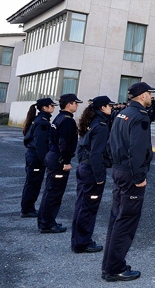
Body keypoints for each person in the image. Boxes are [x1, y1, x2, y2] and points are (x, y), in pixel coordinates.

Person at [102, 82, 155, 282]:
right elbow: (138, 149)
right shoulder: (140, 116)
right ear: (142, 96)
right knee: (126, 220)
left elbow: (110, 142)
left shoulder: (122, 113)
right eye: (149, 93)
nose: (151, 96)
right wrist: (139, 177)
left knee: (117, 218)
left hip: (119, 170)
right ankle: (115, 268)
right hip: (130, 174)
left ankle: (108, 265)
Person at [71, 95, 114, 254]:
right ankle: (83, 243)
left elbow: (81, 147)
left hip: (84, 167)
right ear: (102, 107)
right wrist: (100, 176)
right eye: (109, 105)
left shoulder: (90, 122)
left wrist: (83, 162)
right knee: (88, 208)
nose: (111, 108)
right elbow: (97, 154)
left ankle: (77, 240)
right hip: (92, 170)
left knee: (81, 205)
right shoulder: (101, 125)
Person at [38, 93, 82, 234]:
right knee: (54, 193)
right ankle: (47, 224)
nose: (77, 105)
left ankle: (45, 221)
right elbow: (64, 142)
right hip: (59, 159)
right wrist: (66, 161)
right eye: (75, 103)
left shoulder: (59, 117)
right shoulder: (67, 120)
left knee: (50, 191)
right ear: (69, 104)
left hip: (53, 155)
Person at [20, 97, 57, 218]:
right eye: (51, 106)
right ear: (44, 108)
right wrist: (44, 160)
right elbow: (40, 144)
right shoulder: (42, 121)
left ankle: (28, 207)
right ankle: (27, 209)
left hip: (33, 156)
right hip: (36, 157)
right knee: (33, 183)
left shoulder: (40, 119)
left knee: (32, 182)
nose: (53, 107)